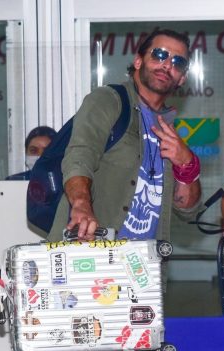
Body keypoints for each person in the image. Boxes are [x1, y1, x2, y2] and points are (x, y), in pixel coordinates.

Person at [47, 29, 202, 242]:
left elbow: (187, 210)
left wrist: (187, 165)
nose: (167, 65)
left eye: (178, 62)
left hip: (144, 269)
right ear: (138, 61)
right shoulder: (109, 101)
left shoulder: (169, 129)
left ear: (182, 78)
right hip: (88, 255)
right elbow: (79, 156)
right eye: (159, 55)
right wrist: (81, 204)